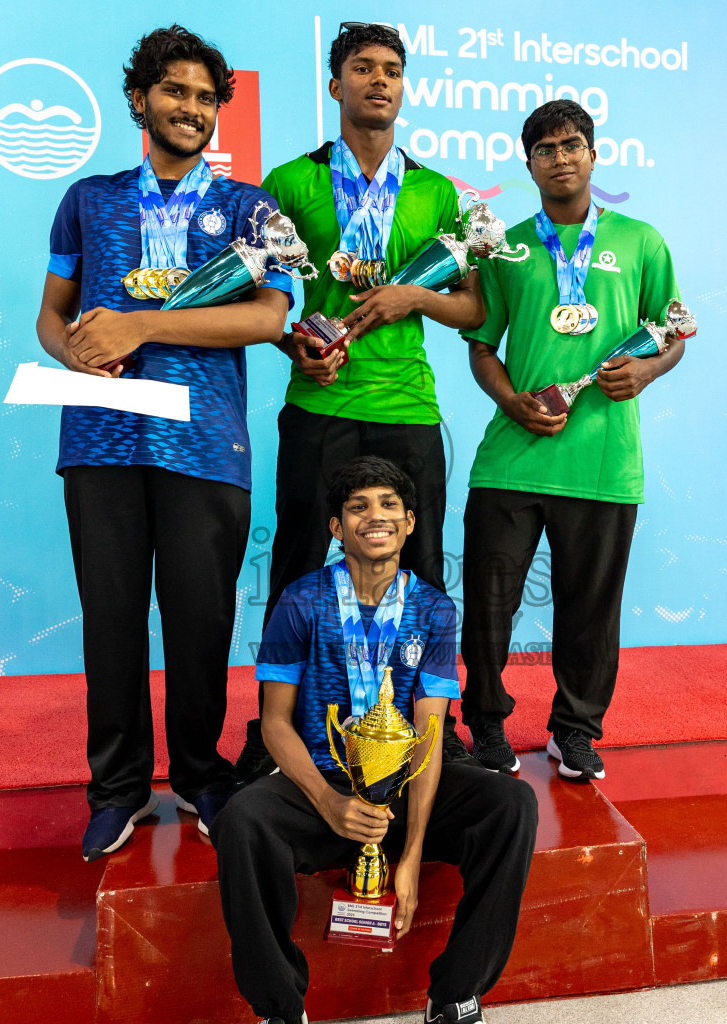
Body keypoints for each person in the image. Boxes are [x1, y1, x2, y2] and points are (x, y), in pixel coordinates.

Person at [35, 25, 294, 860]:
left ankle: (197, 773)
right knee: (110, 620)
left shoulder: (250, 208)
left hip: (206, 445)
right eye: (174, 91)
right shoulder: (90, 198)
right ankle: (116, 789)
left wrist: (143, 323)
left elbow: (268, 315)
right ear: (140, 99)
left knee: (199, 620)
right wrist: (74, 350)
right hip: (100, 440)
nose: (191, 108)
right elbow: (53, 314)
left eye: (206, 97)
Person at [233, 22, 484, 782]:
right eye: (363, 68)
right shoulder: (289, 183)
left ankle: (437, 727)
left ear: (404, 89)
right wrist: (291, 344)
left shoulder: (439, 193)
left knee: (427, 572)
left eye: (393, 70)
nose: (379, 80)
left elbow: (472, 308)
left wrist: (415, 294)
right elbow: (258, 298)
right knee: (298, 563)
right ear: (335, 85)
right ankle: (274, 731)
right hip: (320, 401)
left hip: (408, 406)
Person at [212, 456, 537, 1024]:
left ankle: (456, 993)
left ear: (410, 522)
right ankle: (281, 1008)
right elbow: (274, 723)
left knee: (512, 804)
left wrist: (410, 855)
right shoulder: (300, 602)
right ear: (336, 528)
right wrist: (330, 802)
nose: (375, 516)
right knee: (241, 820)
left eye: (389, 505)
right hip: (325, 789)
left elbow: (431, 734)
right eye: (357, 506)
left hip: (404, 790)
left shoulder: (434, 609)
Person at [458, 100, 686, 781]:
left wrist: (646, 369)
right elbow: (481, 348)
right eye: (546, 148)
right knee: (489, 605)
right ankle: (488, 725)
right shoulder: (508, 250)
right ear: (527, 163)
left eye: (572, 144)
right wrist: (511, 401)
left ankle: (576, 731)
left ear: (593, 155)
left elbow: (672, 332)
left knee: (591, 609)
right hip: (513, 458)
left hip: (604, 463)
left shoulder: (643, 241)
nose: (561, 157)